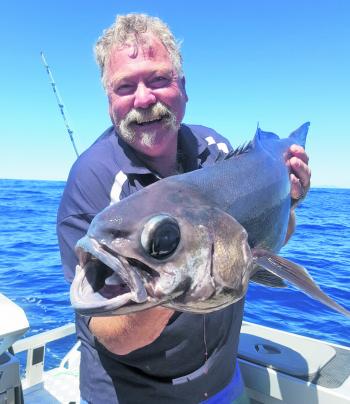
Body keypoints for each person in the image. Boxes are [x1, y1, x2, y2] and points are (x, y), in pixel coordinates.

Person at [57, 13, 311, 404]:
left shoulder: (220, 153)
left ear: (184, 88)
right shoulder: (90, 180)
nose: (143, 99)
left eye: (158, 79)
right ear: (109, 102)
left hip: (224, 380)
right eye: (125, 86)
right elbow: (109, 334)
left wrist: (290, 202)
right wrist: (173, 273)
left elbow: (262, 245)